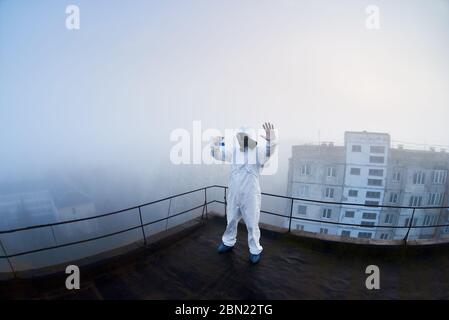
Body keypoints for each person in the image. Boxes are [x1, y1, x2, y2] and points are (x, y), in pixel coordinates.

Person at [210, 123, 277, 264]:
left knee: (252, 224)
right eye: (239, 137)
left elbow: (268, 152)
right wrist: (215, 143)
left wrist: (271, 140)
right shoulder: (234, 151)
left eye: (244, 137)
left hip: (250, 195)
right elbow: (217, 154)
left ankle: (255, 250)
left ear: (250, 138)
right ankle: (228, 242)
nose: (241, 140)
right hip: (234, 193)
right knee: (231, 220)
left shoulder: (257, 152)